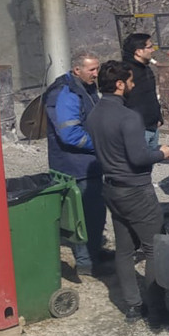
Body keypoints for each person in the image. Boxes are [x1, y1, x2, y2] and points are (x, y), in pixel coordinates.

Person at [86, 60, 169, 326]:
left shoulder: (94, 113)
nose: (134, 85)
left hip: (111, 188)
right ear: (120, 84)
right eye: (131, 81)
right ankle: (158, 311)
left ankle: (133, 306)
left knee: (124, 250)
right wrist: (162, 153)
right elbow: (138, 157)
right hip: (135, 190)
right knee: (155, 248)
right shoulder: (128, 117)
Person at [43, 50, 110, 277]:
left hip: (88, 163)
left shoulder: (85, 87)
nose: (96, 73)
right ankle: (86, 263)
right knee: (83, 216)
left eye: (97, 68)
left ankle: (95, 251)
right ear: (77, 70)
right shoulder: (66, 93)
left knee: (96, 212)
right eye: (92, 69)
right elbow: (70, 135)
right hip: (75, 166)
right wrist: (100, 144)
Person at [122, 33, 162, 151]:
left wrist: (158, 117)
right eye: (149, 47)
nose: (153, 50)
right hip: (138, 130)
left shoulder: (146, 69)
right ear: (138, 52)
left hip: (153, 126)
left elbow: (151, 96)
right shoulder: (126, 72)